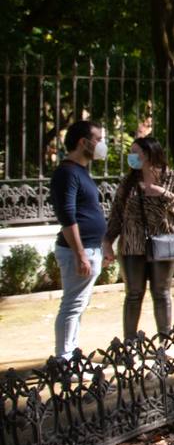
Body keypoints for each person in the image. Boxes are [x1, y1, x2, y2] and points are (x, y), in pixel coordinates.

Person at [102, 135, 174, 339]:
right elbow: (116, 214)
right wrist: (107, 241)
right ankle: (129, 343)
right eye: (131, 152)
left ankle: (164, 342)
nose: (131, 157)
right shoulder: (129, 182)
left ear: (150, 154)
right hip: (132, 247)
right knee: (133, 295)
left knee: (161, 294)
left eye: (136, 153)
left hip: (164, 244)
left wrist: (162, 194)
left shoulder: (172, 178)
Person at [50, 120, 108, 361]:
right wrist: (81, 254)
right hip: (78, 251)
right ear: (83, 142)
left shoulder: (81, 171)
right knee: (72, 305)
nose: (102, 145)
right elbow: (67, 216)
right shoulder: (67, 172)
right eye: (98, 139)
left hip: (90, 249)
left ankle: (71, 352)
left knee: (78, 305)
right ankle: (64, 358)